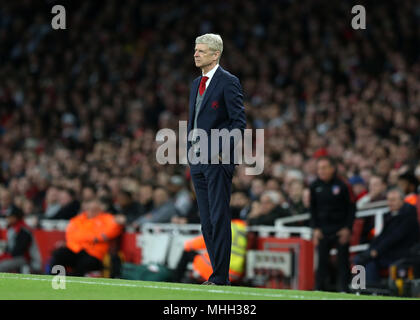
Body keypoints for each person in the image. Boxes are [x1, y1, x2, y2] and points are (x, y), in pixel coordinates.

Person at [187, 33, 246, 285]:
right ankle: (216, 274)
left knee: (219, 216)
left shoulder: (228, 82)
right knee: (206, 220)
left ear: (215, 54)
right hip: (197, 158)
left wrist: (224, 150)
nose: (196, 54)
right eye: (195, 50)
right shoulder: (195, 84)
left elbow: (238, 122)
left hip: (218, 158)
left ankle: (221, 277)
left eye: (201, 50)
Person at [353, 188, 420, 287]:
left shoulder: (409, 216)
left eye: (393, 200)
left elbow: (395, 237)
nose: (390, 203)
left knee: (370, 261)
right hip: (388, 252)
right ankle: (361, 288)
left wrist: (376, 251)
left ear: (402, 200)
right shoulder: (390, 215)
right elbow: (381, 236)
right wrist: (371, 249)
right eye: (389, 200)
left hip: (402, 253)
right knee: (361, 258)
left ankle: (371, 289)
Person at [310, 156, 356, 292]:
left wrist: (348, 228)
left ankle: (343, 289)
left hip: (340, 228)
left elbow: (352, 208)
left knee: (343, 261)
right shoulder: (314, 186)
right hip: (322, 229)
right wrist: (315, 229)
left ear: (332, 168)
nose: (321, 171)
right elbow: (312, 210)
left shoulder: (343, 185)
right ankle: (318, 289)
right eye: (319, 168)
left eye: (324, 168)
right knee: (322, 261)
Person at [48, 197, 123, 276]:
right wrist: (94, 237)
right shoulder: (77, 220)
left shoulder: (107, 218)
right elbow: (71, 235)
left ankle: (74, 283)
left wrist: (84, 236)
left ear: (100, 209)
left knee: (84, 264)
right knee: (59, 254)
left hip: (94, 253)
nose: (92, 211)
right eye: (89, 209)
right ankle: (56, 280)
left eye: (95, 209)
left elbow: (113, 230)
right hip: (76, 249)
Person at [173, 219, 247, 284]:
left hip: (220, 270)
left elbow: (206, 240)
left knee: (188, 252)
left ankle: (176, 280)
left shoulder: (224, 225)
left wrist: (188, 244)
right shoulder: (244, 228)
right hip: (237, 273)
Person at [0, 206, 41, 273]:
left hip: (27, 259)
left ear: (16, 217)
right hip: (15, 256)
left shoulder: (24, 230)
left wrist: (4, 257)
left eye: (9, 216)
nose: (7, 219)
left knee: (1, 266)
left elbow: (19, 251)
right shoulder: (12, 228)